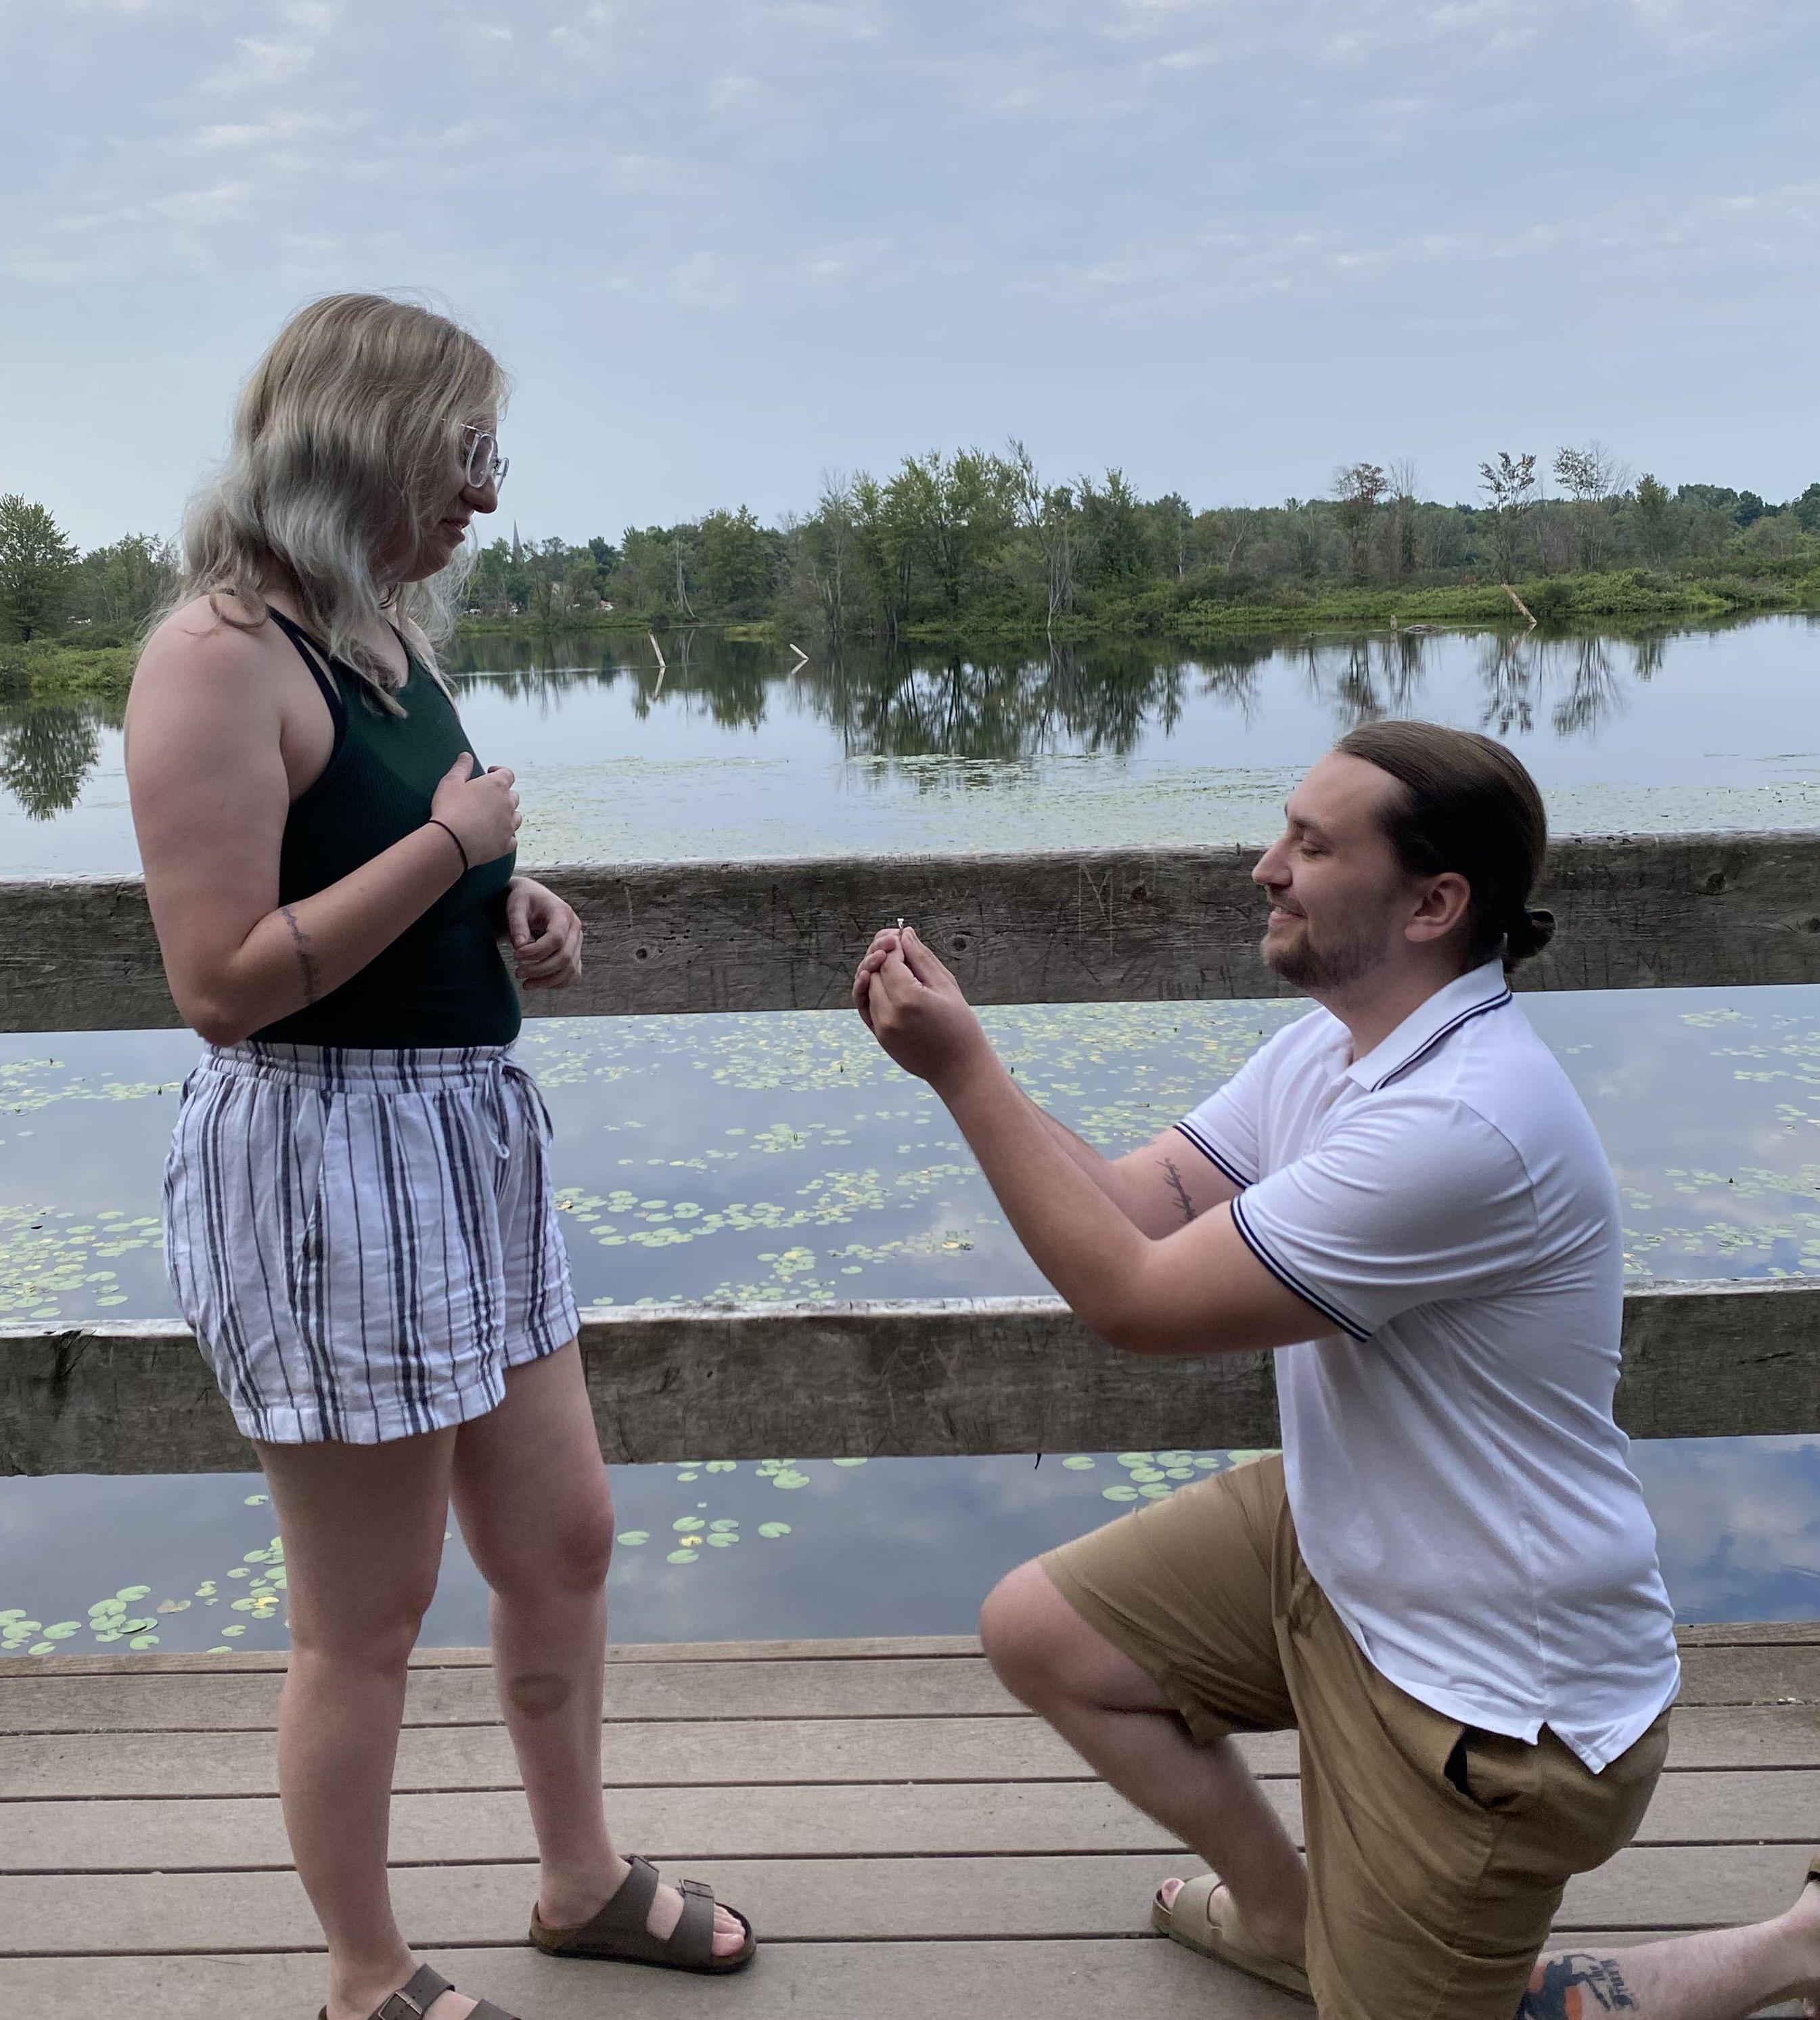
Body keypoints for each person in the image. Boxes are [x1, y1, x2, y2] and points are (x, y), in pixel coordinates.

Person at [853, 720, 1820, 2020]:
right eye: (1281, 832)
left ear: (1433, 903)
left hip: (1491, 1699)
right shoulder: (1342, 1042)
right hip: (1358, 1545)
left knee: (1513, 2008)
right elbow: (1143, 1208)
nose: (1265, 867)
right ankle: (1285, 1916)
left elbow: (1130, 1302)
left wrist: (959, 1072)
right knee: (1046, 1632)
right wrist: (976, 1065)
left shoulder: (1461, 1119)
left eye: (1311, 845)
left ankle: (1791, 1947)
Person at [126, 293, 750, 2020]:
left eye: (487, 459)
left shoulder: (381, 639)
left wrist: (509, 906)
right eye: (460, 456)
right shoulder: (218, 656)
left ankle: (577, 1878)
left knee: (562, 1539)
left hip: (465, 1139)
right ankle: (364, 1974)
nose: (484, 495)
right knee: (369, 1617)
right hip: (325, 1167)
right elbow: (222, 985)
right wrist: (449, 845)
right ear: (353, 446)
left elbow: (412, 876)